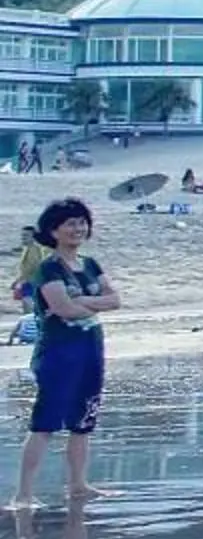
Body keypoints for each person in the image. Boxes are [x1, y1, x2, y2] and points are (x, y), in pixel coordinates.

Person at [14, 199, 115, 509]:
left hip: (91, 347)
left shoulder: (91, 264)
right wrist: (90, 302)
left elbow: (115, 300)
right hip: (59, 351)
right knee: (45, 422)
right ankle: (23, 494)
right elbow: (63, 309)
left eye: (82, 222)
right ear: (54, 230)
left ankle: (78, 484)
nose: (78, 228)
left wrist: (83, 301)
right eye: (70, 223)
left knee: (84, 420)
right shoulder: (48, 268)